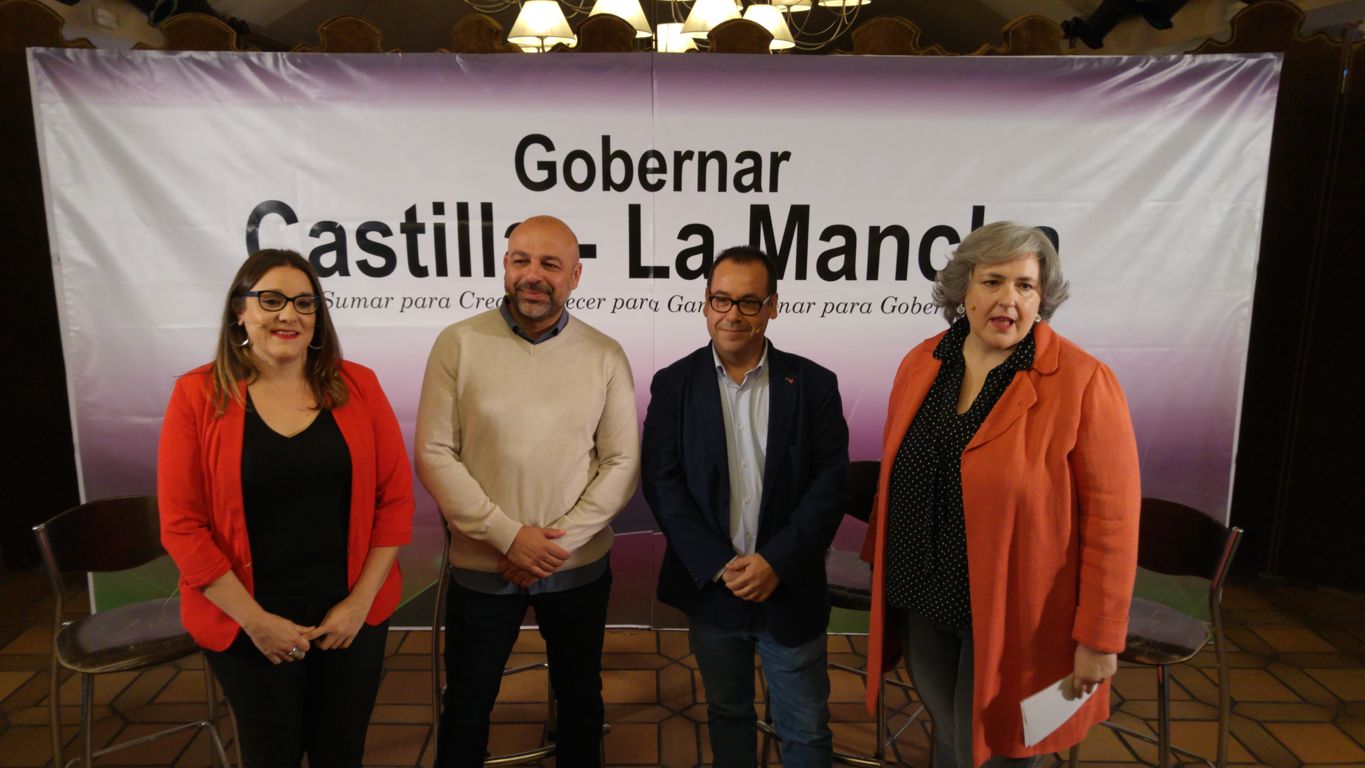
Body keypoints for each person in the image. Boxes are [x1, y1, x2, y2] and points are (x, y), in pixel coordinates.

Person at [860, 221, 1141, 767]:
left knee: (1001, 753)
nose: (1008, 300)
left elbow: (1114, 522)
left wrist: (1101, 637)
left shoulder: (1083, 382)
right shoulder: (923, 362)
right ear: (963, 287)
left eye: (1026, 286)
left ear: (1043, 297)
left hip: (1021, 616)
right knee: (948, 736)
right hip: (922, 594)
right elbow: (899, 472)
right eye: (992, 282)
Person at [157, 249, 414, 767]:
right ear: (239, 310)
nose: (288, 315)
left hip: (349, 615)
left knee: (341, 752)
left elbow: (396, 501)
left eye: (304, 302)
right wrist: (256, 622)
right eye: (271, 299)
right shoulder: (197, 395)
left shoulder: (359, 385)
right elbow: (182, 528)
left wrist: (358, 606)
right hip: (247, 619)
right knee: (270, 753)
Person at [415, 215, 640, 767]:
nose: (532, 276)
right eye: (521, 260)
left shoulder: (605, 354)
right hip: (483, 562)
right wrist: (508, 537)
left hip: (576, 564)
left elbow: (621, 462)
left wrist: (547, 547)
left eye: (549, 264)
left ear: (576, 276)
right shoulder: (457, 343)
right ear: (505, 266)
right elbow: (434, 453)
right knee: (467, 701)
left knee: (581, 696)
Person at [643, 245, 849, 768]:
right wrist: (719, 566)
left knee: (805, 731)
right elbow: (662, 483)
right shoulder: (673, 383)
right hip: (714, 589)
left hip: (790, 585)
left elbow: (830, 483)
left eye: (749, 302)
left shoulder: (815, 384)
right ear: (706, 303)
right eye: (721, 299)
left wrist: (775, 562)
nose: (733, 314)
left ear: (773, 306)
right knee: (727, 712)